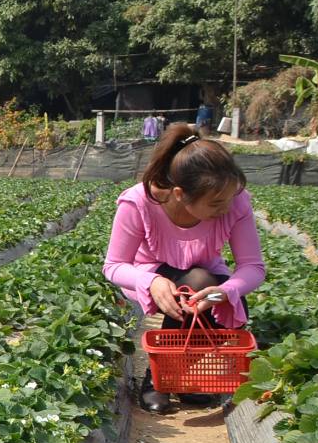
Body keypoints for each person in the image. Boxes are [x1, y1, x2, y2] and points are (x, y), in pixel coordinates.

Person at [102, 124, 265, 413]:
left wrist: (225, 292)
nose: (226, 208)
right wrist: (150, 281)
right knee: (196, 282)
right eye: (216, 203)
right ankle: (160, 378)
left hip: (204, 278)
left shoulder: (235, 202)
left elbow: (252, 267)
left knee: (209, 290)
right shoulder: (139, 202)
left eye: (229, 198)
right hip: (149, 274)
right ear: (179, 194)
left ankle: (174, 374)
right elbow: (114, 266)